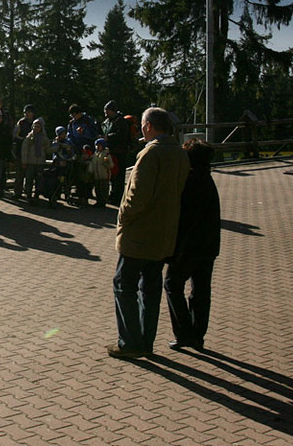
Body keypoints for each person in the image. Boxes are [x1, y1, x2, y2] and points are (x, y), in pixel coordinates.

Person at [108, 107, 190, 359]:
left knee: (124, 285)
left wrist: (123, 216)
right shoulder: (180, 153)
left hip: (140, 233)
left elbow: (137, 196)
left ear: (149, 127)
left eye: (143, 125)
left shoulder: (150, 154)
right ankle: (146, 341)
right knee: (151, 288)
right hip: (164, 233)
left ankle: (129, 341)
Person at [165, 139, 221, 352]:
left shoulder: (191, 181)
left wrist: (175, 248)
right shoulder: (206, 178)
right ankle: (197, 334)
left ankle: (184, 332)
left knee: (172, 284)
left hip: (190, 246)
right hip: (208, 245)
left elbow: (186, 219)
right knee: (201, 290)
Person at [101, 101, 131, 205]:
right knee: (112, 175)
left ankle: (118, 196)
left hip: (119, 152)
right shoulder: (109, 121)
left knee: (118, 175)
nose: (105, 113)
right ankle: (113, 195)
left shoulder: (121, 121)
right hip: (111, 151)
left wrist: (108, 137)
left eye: (107, 110)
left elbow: (122, 136)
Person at [20, 118, 48, 204]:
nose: (36, 128)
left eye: (38, 127)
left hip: (40, 161)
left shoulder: (44, 138)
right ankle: (28, 195)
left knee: (39, 179)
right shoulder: (29, 137)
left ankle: (37, 195)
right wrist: (24, 161)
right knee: (29, 179)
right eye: (35, 126)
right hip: (30, 161)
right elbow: (24, 150)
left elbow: (48, 149)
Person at [13, 105, 36, 198]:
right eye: (26, 112)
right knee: (19, 174)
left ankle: (28, 192)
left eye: (29, 112)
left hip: (32, 152)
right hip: (21, 151)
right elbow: (15, 135)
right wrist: (24, 140)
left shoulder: (36, 123)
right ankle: (17, 192)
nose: (27, 114)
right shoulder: (21, 122)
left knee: (30, 175)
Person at [87, 138, 114, 207]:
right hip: (96, 175)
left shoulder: (106, 154)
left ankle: (103, 202)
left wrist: (106, 163)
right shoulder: (95, 154)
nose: (97, 147)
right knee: (97, 189)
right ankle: (98, 201)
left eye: (99, 146)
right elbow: (93, 163)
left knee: (104, 189)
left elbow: (111, 165)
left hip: (104, 175)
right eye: (96, 146)